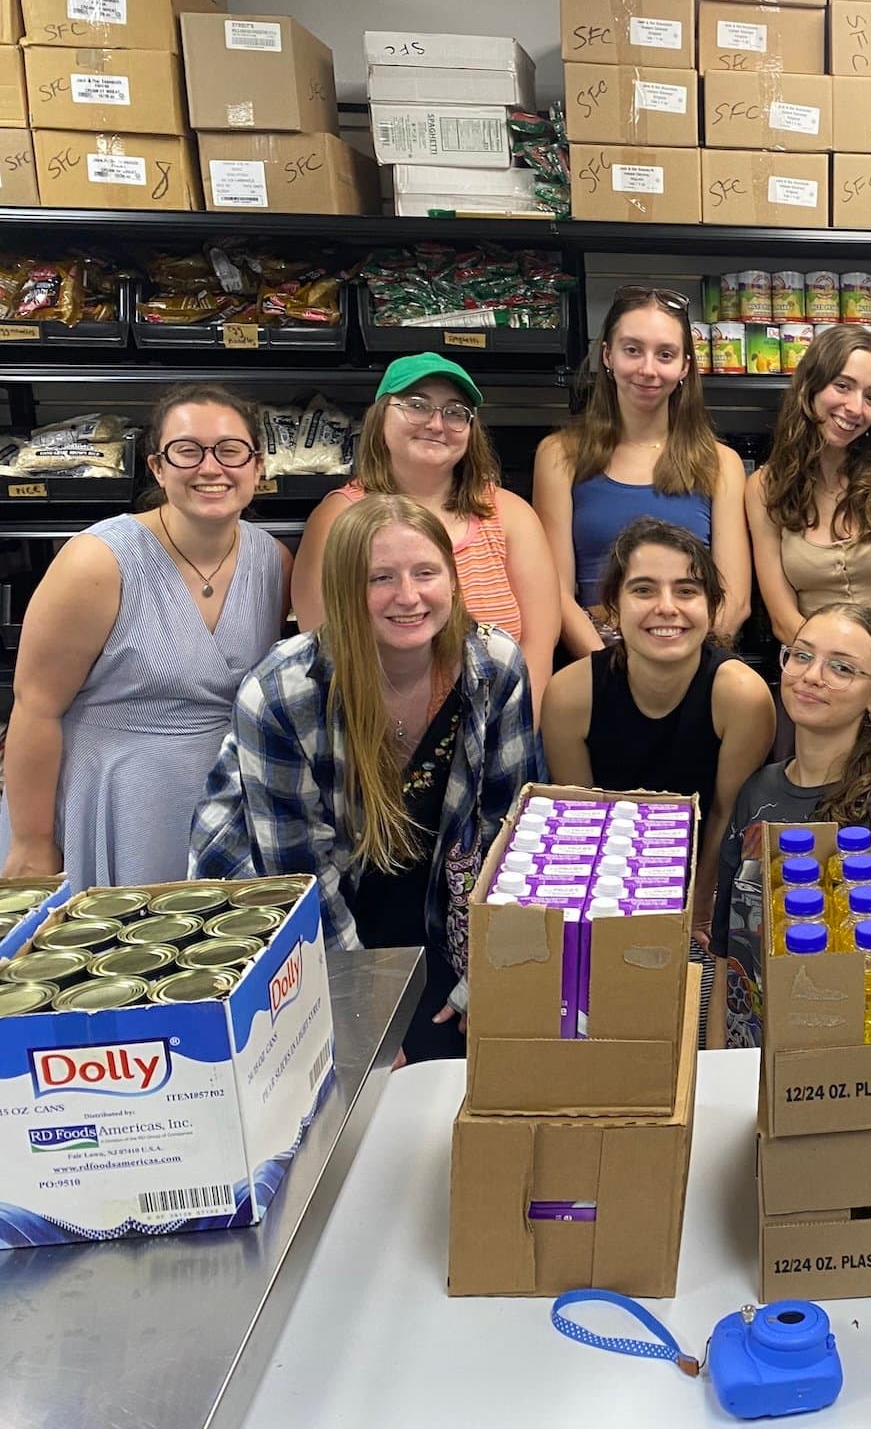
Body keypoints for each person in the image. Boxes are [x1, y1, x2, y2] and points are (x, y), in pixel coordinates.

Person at [191, 494, 543, 1063]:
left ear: (452, 581)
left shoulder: (494, 665)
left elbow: (510, 836)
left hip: (430, 891)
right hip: (291, 910)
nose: (409, 596)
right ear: (343, 591)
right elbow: (299, 881)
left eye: (426, 572)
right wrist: (366, 1010)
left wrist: (489, 972)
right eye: (380, 577)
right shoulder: (282, 694)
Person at [0, 384, 289, 887]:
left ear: (257, 466)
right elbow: (35, 708)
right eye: (187, 451)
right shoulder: (98, 562)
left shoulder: (274, 563)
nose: (210, 468)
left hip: (222, 813)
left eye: (229, 450)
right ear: (157, 467)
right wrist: (31, 843)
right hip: (111, 804)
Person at [541, 517, 775, 973]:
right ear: (611, 606)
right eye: (644, 590)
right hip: (608, 892)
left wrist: (698, 913)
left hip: (705, 898)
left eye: (686, 591)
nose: (667, 607)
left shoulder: (740, 696)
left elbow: (728, 818)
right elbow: (584, 825)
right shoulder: (571, 693)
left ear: (712, 606)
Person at [713, 603, 871, 1048]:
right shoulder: (756, 791)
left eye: (842, 668)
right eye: (801, 655)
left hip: (843, 1063)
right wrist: (718, 1062)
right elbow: (725, 951)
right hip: (749, 1048)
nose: (812, 676)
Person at [291, 353, 559, 714]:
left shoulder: (511, 515)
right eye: (417, 406)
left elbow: (539, 646)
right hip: (379, 738)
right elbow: (327, 651)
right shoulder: (339, 519)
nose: (436, 424)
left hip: (497, 734)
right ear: (380, 417)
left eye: (454, 412)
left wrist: (514, 728)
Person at [745, 323, 871, 773]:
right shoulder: (763, 487)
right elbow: (782, 612)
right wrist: (830, 677)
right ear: (809, 386)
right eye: (842, 386)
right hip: (806, 685)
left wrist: (868, 690)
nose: (855, 408)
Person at [533, 286, 751, 656]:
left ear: (684, 366)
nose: (648, 369)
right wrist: (607, 673)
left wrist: (686, 670)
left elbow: (734, 600)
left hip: (693, 662)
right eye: (632, 350)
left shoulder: (720, 463)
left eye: (665, 354)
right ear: (608, 356)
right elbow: (554, 592)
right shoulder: (559, 456)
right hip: (597, 662)